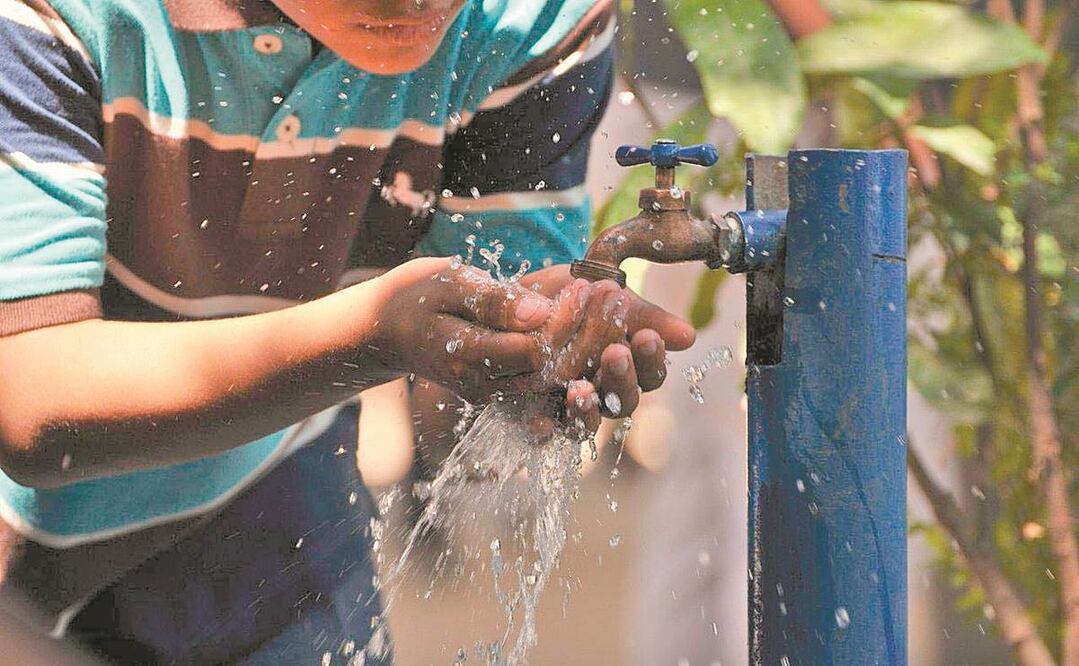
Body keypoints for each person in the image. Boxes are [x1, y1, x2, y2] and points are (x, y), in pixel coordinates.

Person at [0, 0, 695, 662]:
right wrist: (368, 338)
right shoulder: (58, 17)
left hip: (270, 498)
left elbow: (491, 327)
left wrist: (535, 355)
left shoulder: (526, 20)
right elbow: (32, 398)